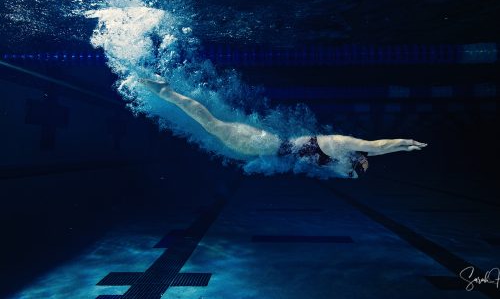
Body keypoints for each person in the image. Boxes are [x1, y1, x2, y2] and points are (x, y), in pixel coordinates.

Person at [140, 78, 427, 178]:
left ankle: (168, 93)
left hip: (265, 150)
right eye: (362, 163)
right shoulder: (342, 143)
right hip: (263, 145)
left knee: (214, 133)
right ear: (357, 154)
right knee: (213, 125)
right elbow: (377, 146)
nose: (361, 163)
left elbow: (375, 153)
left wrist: (403, 149)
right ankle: (167, 92)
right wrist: (407, 142)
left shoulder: (342, 159)